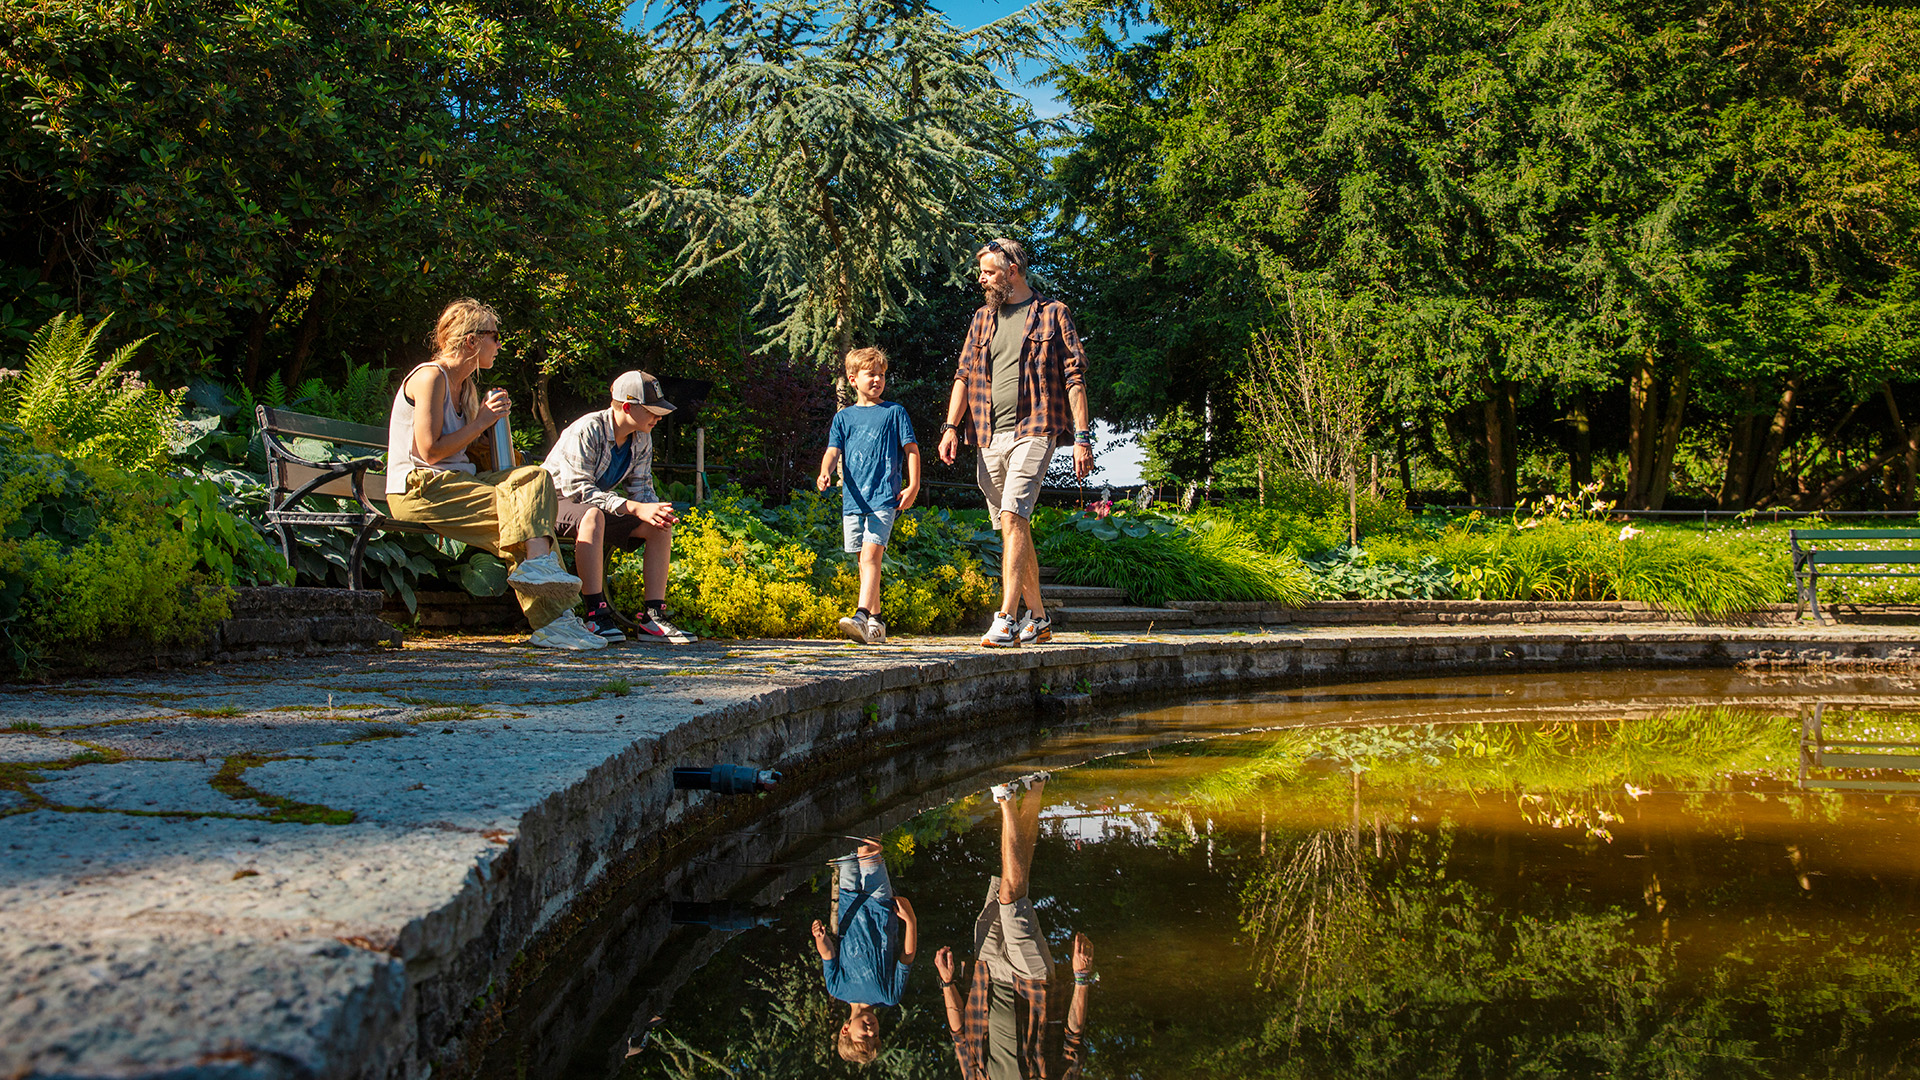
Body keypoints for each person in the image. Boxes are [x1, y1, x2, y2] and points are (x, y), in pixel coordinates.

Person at [385, 298, 603, 650]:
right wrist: (483, 420)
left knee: (534, 482)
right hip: (420, 488)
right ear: (471, 340)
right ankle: (556, 619)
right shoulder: (430, 377)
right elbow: (429, 451)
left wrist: (489, 430)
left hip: (457, 485)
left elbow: (469, 452)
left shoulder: (466, 388)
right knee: (527, 523)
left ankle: (546, 591)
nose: (499, 345)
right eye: (495, 336)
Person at [936, 238, 1094, 648]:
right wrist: (951, 427)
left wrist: (1082, 437)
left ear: (1013, 269)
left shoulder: (1053, 314)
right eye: (982, 272)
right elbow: (963, 376)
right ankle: (1039, 619)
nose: (982, 279)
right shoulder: (981, 320)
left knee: (1012, 514)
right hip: (988, 434)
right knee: (1012, 526)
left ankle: (1005, 618)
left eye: (989, 271)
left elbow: (1075, 378)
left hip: (1036, 428)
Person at [935, 772, 1094, 1079]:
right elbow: (1073, 1038)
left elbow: (958, 1035)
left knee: (1012, 885)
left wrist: (947, 984)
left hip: (986, 975)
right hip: (1032, 982)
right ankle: (1005, 796)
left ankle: (1036, 786)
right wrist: (1082, 977)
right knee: (1011, 897)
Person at [542, 370, 697, 644]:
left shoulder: (641, 437)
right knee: (592, 517)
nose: (658, 417)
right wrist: (635, 508)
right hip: (553, 504)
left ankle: (653, 618)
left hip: (596, 506)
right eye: (651, 411)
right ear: (627, 407)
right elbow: (579, 491)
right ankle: (595, 614)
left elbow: (641, 488)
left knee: (657, 525)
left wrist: (653, 511)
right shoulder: (586, 430)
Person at [816, 346, 921, 645]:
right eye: (870, 374)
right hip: (853, 500)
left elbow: (911, 450)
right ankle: (877, 621)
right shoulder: (843, 418)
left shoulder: (894, 412)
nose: (877, 379)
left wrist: (912, 486)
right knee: (863, 562)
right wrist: (825, 471)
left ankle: (861, 616)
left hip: (883, 498)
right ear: (853, 379)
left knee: (871, 555)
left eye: (882, 375)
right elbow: (832, 451)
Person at [811, 837, 919, 1065]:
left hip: (849, 901)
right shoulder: (889, 996)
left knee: (846, 845)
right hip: (880, 907)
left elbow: (828, 955)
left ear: (845, 1029)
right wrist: (911, 921)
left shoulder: (837, 988)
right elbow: (906, 958)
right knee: (868, 849)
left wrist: (820, 938)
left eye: (864, 1036)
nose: (871, 1031)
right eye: (876, 1036)